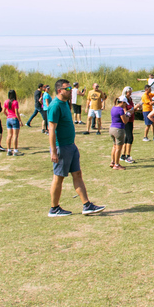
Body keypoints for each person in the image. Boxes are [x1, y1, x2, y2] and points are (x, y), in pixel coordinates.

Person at [47, 78, 105, 217]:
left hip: (71, 146)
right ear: (60, 90)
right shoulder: (55, 106)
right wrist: (54, 151)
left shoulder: (65, 103)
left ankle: (87, 205)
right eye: (67, 89)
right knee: (59, 177)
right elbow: (51, 130)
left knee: (77, 174)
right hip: (61, 147)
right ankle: (54, 208)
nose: (70, 91)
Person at [109, 96, 129, 170]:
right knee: (118, 148)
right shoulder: (120, 109)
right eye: (125, 104)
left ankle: (113, 162)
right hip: (118, 129)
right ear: (122, 102)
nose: (125, 105)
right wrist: (128, 116)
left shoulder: (113, 108)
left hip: (112, 128)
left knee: (114, 146)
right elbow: (125, 121)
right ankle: (116, 165)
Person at [4, 90, 24, 156]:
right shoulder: (15, 102)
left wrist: (7, 115)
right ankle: (15, 150)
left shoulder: (6, 101)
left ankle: (9, 150)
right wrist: (20, 120)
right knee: (15, 135)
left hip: (8, 119)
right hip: (14, 119)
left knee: (9, 135)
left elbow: (4, 111)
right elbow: (16, 112)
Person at [120, 86, 136, 163]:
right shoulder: (124, 100)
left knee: (127, 137)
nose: (130, 93)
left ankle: (123, 155)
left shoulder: (130, 99)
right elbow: (126, 111)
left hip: (131, 120)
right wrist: (134, 109)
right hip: (126, 120)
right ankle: (128, 156)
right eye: (129, 92)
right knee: (130, 137)